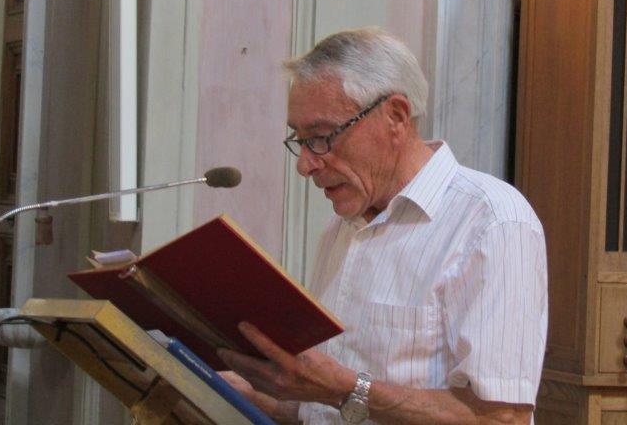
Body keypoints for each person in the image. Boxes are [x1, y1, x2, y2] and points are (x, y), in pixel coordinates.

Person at [218, 28, 548, 424]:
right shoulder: (344, 227)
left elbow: (502, 418)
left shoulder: (492, 221)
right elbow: (327, 410)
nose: (305, 165)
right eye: (299, 141)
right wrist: (257, 398)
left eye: (321, 137)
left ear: (396, 116)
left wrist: (341, 388)